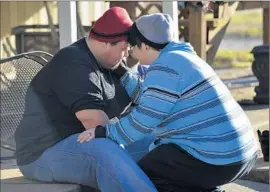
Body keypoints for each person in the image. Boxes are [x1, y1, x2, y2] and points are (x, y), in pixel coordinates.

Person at [78, 13, 259, 192]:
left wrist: (105, 132)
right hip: (240, 152)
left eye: (133, 46)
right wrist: (123, 74)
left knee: (144, 174)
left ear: (146, 46)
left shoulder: (165, 68)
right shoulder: (182, 58)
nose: (130, 52)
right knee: (164, 162)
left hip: (218, 158)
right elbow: (149, 97)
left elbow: (143, 122)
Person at [14, 7, 157, 192]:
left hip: (81, 144)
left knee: (158, 138)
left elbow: (142, 101)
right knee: (104, 150)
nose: (126, 55)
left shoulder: (111, 63)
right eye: (124, 48)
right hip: (41, 154)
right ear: (107, 43)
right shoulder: (74, 62)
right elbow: (96, 125)